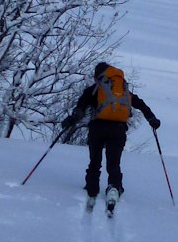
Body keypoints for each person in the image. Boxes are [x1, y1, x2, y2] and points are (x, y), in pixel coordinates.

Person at [63, 62, 161, 211]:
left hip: (97, 128)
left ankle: (92, 189)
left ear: (97, 76)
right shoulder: (123, 90)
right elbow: (140, 104)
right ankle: (114, 188)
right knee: (114, 163)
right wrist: (152, 119)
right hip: (118, 130)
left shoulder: (94, 90)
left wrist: (71, 120)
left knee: (94, 161)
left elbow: (80, 109)